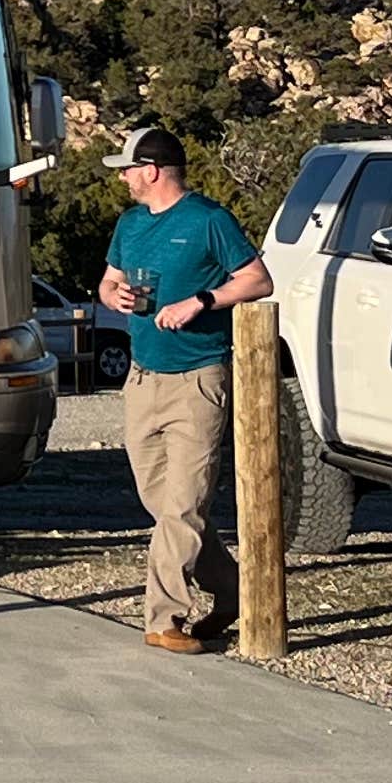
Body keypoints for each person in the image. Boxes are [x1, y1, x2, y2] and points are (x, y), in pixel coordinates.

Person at [95, 123, 270, 654]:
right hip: (142, 377)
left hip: (198, 379)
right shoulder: (129, 224)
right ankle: (235, 590)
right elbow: (107, 280)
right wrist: (113, 296)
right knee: (165, 504)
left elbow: (258, 280)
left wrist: (201, 301)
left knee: (184, 505)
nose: (122, 178)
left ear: (151, 170)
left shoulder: (209, 220)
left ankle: (163, 617)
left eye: (127, 168)